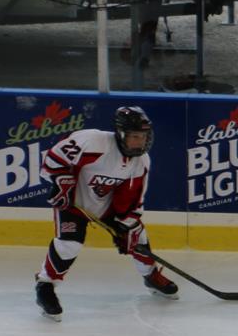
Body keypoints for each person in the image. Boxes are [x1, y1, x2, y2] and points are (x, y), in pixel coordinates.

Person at [33, 104, 178, 320]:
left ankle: (151, 276)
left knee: (137, 235)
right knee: (70, 244)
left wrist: (125, 226)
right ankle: (45, 285)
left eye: (143, 137)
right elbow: (53, 160)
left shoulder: (141, 161)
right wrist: (62, 183)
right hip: (74, 202)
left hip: (107, 207)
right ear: (120, 134)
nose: (140, 142)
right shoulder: (92, 141)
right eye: (135, 137)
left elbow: (134, 199)